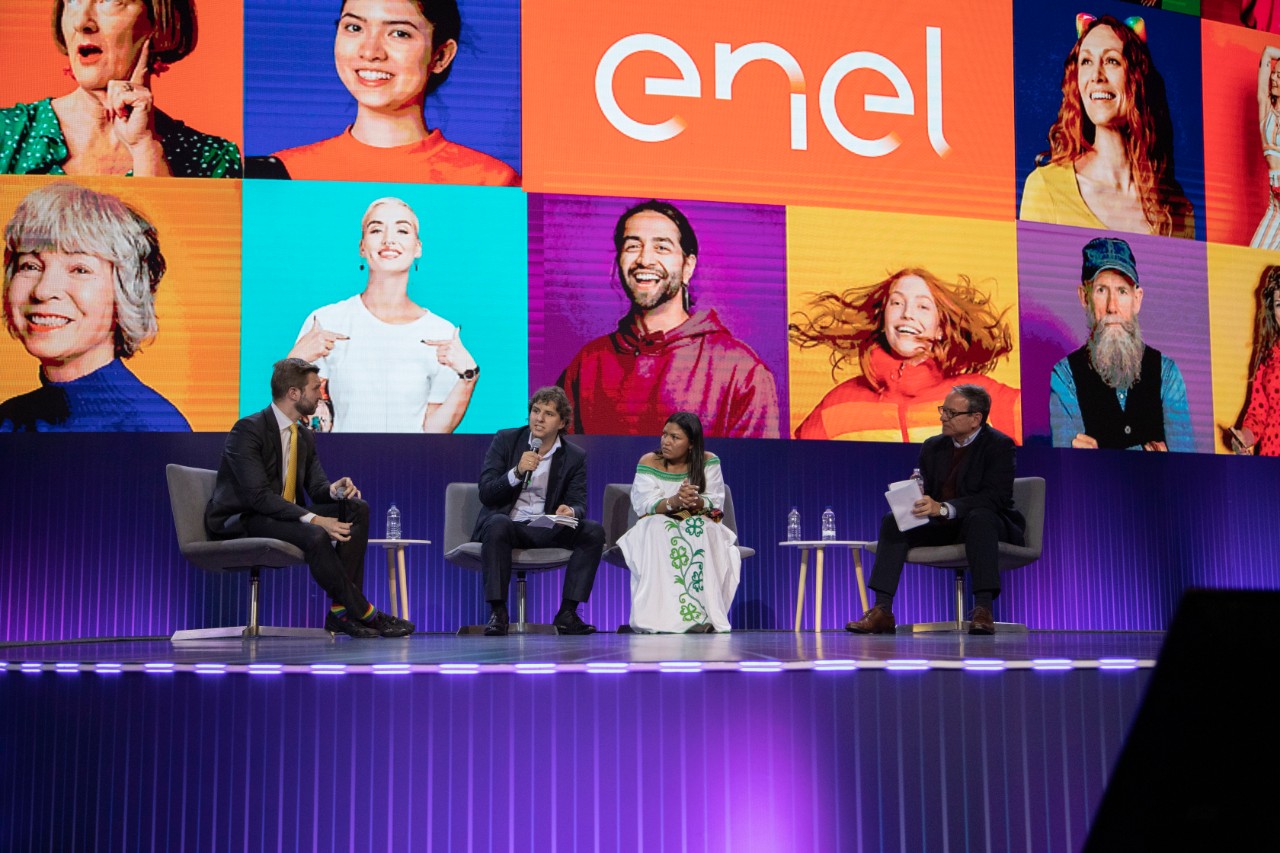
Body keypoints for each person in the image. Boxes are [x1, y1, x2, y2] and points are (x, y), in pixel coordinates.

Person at [205, 357, 413, 638]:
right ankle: (365, 612)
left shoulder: (303, 435)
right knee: (315, 533)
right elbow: (258, 497)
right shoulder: (248, 430)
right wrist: (316, 519)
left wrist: (334, 490)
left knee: (356, 509)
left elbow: (316, 487)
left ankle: (340, 613)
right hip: (242, 518)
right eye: (315, 388)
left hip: (279, 515)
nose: (320, 395)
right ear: (294, 393)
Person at [557, 199, 780, 438]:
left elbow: (756, 462)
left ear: (688, 267)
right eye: (633, 246)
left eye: (662, 247)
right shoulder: (587, 363)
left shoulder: (741, 370)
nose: (645, 260)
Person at [1, 181, 189, 432]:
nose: (43, 290)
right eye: (30, 266)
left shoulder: (152, 428)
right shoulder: (9, 419)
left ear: (125, 292)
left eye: (79, 269)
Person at [271, 0, 518, 186]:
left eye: (400, 33)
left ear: (440, 56)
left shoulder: (491, 183)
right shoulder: (283, 175)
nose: (370, 52)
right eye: (354, 27)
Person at [287, 196, 478, 433]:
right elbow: (309, 424)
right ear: (362, 247)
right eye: (376, 230)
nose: (389, 240)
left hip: (410, 457)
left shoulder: (440, 333)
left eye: (402, 230)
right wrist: (293, 362)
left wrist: (469, 378)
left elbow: (434, 432)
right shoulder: (327, 321)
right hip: (342, 457)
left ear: (418, 247)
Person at [846, 384, 1026, 636]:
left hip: (987, 525)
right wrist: (918, 498)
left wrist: (944, 508)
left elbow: (994, 498)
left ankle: (983, 609)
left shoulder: (999, 445)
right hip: (944, 526)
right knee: (894, 520)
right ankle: (882, 610)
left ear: (975, 419)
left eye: (951, 413)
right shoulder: (933, 446)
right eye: (943, 410)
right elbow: (932, 493)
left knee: (980, 517)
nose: (943, 417)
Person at [0, 0, 240, 177]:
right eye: (72, 0)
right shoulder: (6, 133)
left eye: (110, 1)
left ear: (159, 23)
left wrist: (145, 150)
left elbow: (169, 234)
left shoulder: (213, 160)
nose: (81, 22)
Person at [790, 268, 1021, 442]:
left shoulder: (985, 398)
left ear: (941, 328)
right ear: (883, 321)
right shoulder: (837, 405)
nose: (907, 313)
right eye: (897, 302)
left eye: (923, 306)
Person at [1019, 14, 1194, 239]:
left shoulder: (1177, 209)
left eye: (1111, 60)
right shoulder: (1045, 188)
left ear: (1137, 77)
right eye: (1086, 61)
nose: (1096, 76)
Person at [471, 386, 604, 636]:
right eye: (535, 411)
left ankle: (567, 613)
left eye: (548, 414)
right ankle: (498, 613)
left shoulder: (574, 456)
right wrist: (517, 472)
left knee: (593, 531)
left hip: (546, 527)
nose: (539, 418)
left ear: (562, 422)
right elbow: (486, 492)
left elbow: (579, 502)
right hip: (509, 526)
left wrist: (570, 511)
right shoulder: (506, 440)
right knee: (498, 523)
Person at [1049, 236, 1193, 451]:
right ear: (1084, 297)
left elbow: (1185, 465)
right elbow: (1071, 466)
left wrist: (1100, 455)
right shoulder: (1064, 376)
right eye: (1101, 290)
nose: (1112, 307)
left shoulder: (1167, 374)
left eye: (1122, 291)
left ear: (1137, 299)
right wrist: (1145, 452)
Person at [617, 412, 741, 633]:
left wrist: (695, 500)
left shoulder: (708, 461)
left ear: (691, 443)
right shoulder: (648, 461)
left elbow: (715, 503)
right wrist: (674, 501)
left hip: (697, 520)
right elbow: (644, 504)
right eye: (664, 434)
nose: (666, 441)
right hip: (656, 523)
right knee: (658, 528)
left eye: (674, 437)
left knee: (700, 528)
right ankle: (660, 619)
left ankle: (701, 617)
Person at [1229, 265, 1280, 455]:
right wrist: (1242, 439)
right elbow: (1258, 414)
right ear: (1272, 311)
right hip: (1271, 459)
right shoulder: (1268, 355)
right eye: (1279, 304)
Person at [1251, 46, 1280, 249]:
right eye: (1274, 73)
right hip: (1275, 205)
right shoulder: (1266, 109)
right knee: (1255, 255)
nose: (1274, 78)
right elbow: (1268, 52)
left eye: (1279, 76)